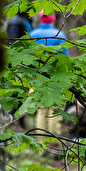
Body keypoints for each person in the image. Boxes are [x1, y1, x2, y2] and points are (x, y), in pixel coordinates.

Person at [30, 13, 69, 144]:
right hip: (56, 79)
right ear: (53, 19)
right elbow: (65, 60)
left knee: (41, 112)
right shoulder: (59, 35)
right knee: (55, 113)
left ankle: (41, 145)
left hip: (38, 79)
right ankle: (53, 145)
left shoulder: (32, 34)